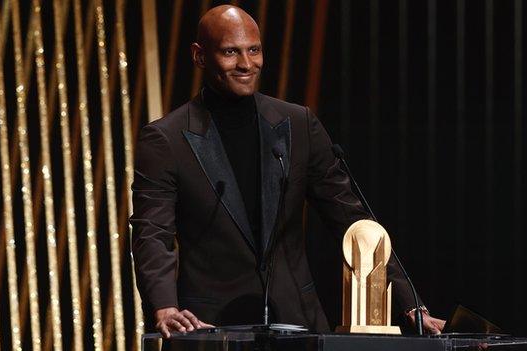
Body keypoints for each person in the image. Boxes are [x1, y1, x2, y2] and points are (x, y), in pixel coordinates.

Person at [131, 5, 445, 338]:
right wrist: (164, 307)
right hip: (210, 326)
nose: (246, 64)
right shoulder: (165, 139)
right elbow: (152, 232)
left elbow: (352, 220)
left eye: (254, 50)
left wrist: (409, 304)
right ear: (199, 56)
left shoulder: (298, 125)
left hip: (297, 321)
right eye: (230, 52)